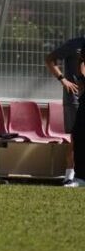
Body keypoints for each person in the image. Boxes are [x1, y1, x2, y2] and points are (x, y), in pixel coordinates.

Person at [45, 38, 85, 186]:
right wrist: (63, 80)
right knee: (76, 138)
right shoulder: (74, 45)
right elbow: (49, 59)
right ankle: (71, 175)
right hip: (74, 98)